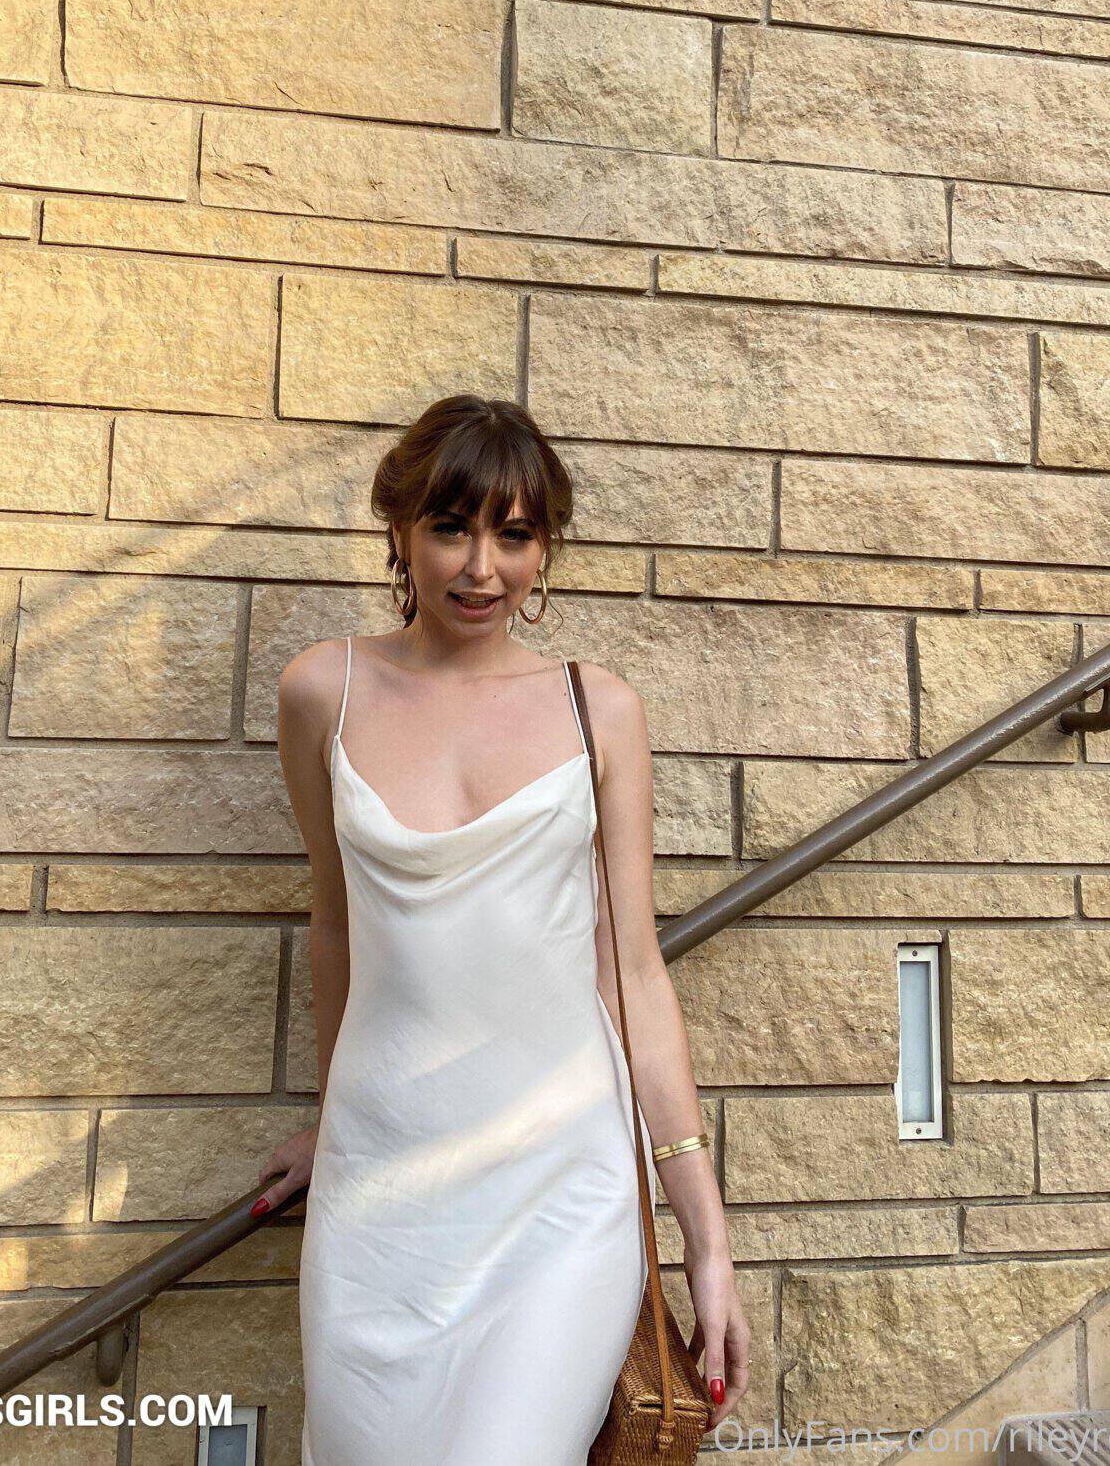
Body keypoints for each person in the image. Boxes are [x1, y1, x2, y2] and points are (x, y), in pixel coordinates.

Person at [253, 394, 749, 1464]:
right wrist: (333, 1117)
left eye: (514, 536)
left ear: (543, 549)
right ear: (400, 530)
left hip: (561, 1187)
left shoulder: (597, 710)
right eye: (451, 528)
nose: (482, 569)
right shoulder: (322, 691)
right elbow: (336, 925)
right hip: (383, 1188)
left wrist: (705, 1239)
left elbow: (634, 975)